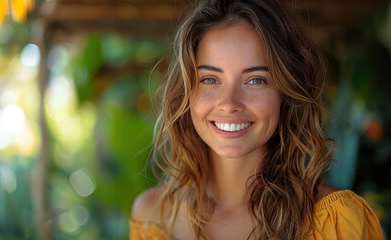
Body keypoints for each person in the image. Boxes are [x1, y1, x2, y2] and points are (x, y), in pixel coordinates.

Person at [130, 0, 384, 239]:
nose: (229, 104)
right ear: (186, 92)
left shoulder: (335, 222)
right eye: (209, 79)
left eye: (255, 80)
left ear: (286, 94)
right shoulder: (152, 218)